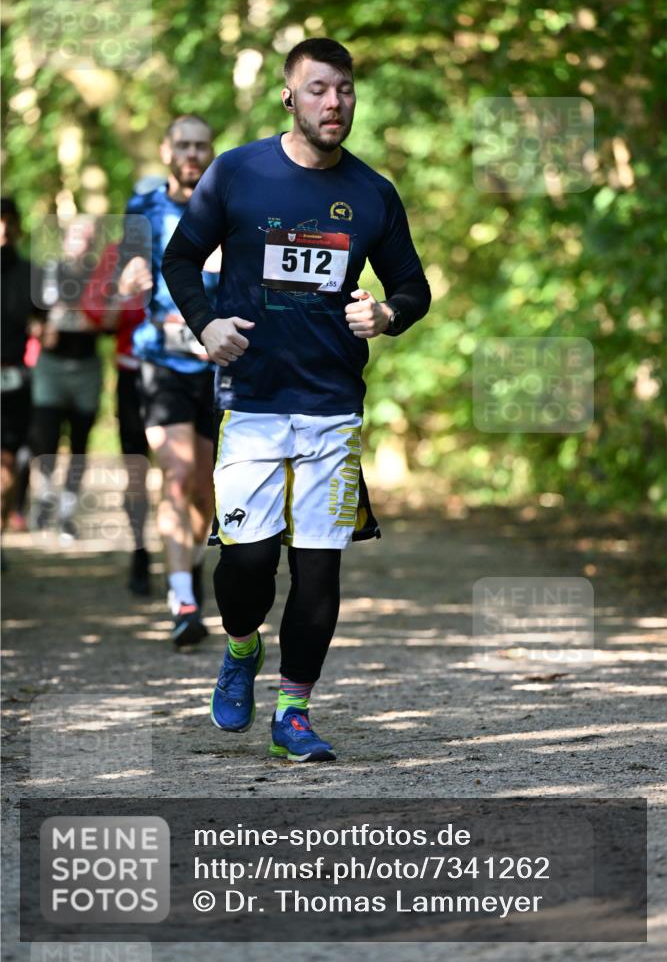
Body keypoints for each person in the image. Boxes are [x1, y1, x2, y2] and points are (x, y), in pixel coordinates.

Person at [162, 38, 430, 761]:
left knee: (319, 567)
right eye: (316, 89)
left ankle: (294, 712)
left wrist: (387, 315)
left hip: (331, 408)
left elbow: (413, 286)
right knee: (246, 565)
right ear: (289, 96)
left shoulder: (372, 193)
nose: (332, 102)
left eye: (342, 88)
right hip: (251, 403)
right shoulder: (237, 173)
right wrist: (206, 322)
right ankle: (241, 647)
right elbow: (179, 258)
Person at [122, 116, 220, 643]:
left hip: (215, 364)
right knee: (177, 474)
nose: (191, 153)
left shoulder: (227, 208)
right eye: (182, 144)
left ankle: (191, 565)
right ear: (166, 151)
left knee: (205, 490)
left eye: (200, 145)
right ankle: (182, 599)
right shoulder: (144, 210)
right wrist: (128, 280)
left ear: (210, 152)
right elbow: (122, 279)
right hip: (161, 361)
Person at [81, 232, 153, 595]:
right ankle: (140, 553)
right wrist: (124, 292)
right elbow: (100, 319)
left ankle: (187, 568)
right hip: (133, 375)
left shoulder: (200, 238)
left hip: (190, 374)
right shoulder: (118, 253)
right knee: (137, 470)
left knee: (187, 472)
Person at [30, 215, 103, 541]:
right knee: (44, 436)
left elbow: (110, 317)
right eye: (76, 235)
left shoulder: (99, 276)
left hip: (86, 366)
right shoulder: (49, 271)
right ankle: (45, 496)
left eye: (87, 236)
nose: (81, 241)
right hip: (51, 367)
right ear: (65, 239)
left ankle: (67, 514)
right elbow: (33, 315)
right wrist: (40, 329)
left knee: (79, 443)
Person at [1, 197, 42, 559]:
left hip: (13, 378)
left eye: (7, 221)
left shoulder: (30, 273)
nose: (2, 229)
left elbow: (46, 319)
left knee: (7, 462)